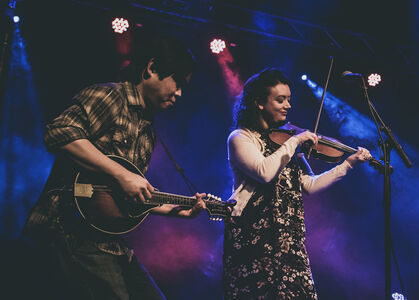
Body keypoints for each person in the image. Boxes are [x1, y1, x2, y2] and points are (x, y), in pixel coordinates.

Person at [21, 34, 206, 299]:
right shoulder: (110, 96)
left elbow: (127, 196)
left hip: (107, 240)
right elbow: (59, 132)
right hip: (69, 229)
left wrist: (181, 212)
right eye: (177, 81)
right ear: (152, 69)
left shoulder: (147, 131)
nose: (179, 93)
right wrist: (121, 174)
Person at [223, 68, 372, 299]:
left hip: (289, 242)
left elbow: (309, 184)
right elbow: (264, 172)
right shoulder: (240, 138)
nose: (288, 106)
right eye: (280, 100)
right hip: (255, 240)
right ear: (259, 103)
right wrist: (294, 141)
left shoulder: (286, 142)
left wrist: (348, 164)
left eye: (289, 100)